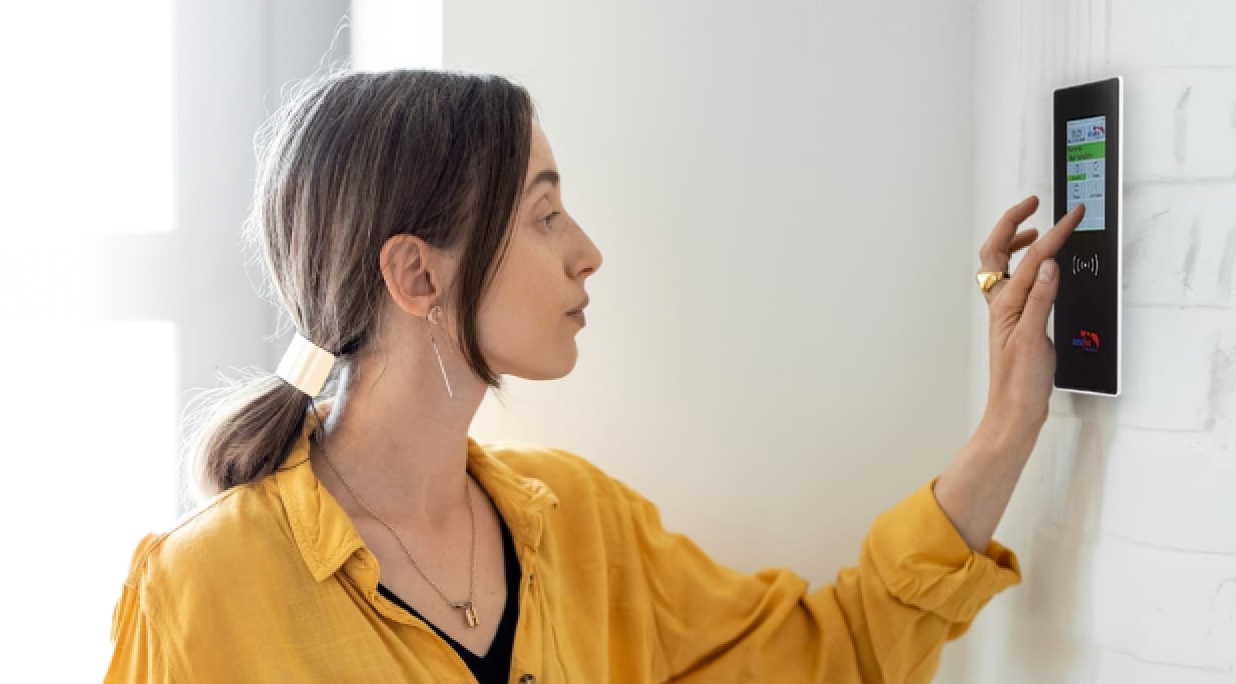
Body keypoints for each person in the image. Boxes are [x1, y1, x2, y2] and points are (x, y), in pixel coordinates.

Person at [103, 68, 1084, 684]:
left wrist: (1009, 422)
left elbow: (837, 654)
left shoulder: (584, 527)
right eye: (543, 215)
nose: (587, 252)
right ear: (416, 274)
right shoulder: (202, 592)